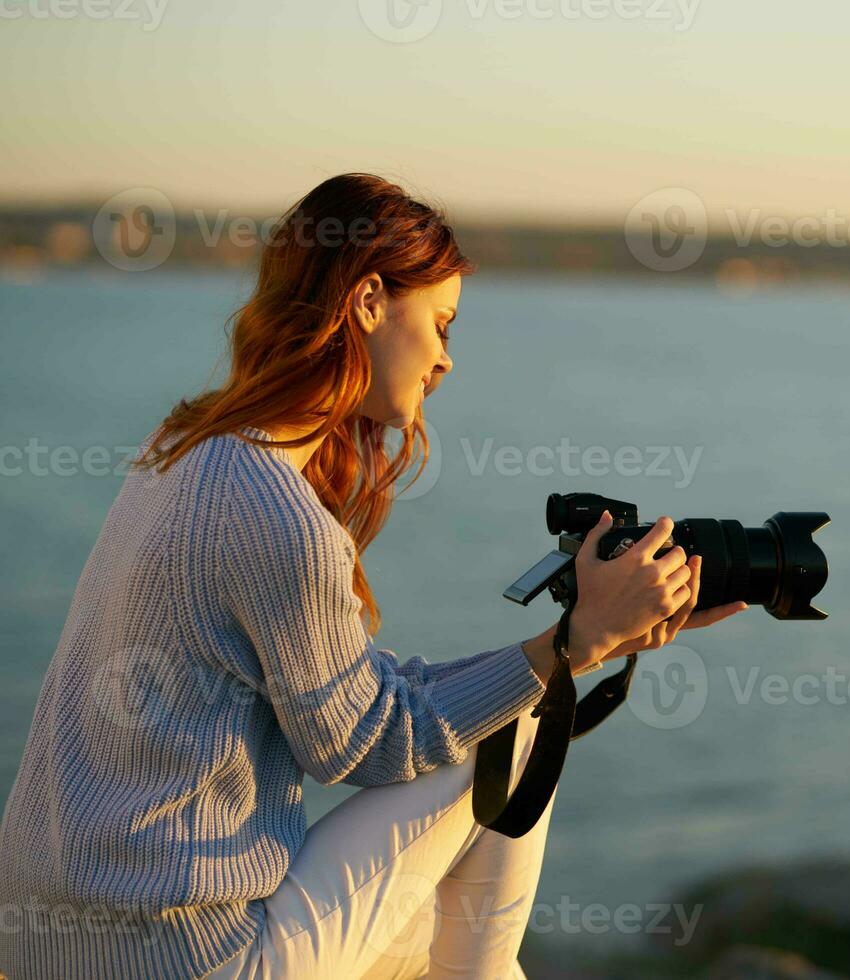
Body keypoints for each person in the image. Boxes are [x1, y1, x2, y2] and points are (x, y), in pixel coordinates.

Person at [0, 173, 747, 980]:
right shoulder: (275, 514)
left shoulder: (182, 451)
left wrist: (582, 644)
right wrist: (575, 642)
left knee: (424, 936)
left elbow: (361, 699)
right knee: (516, 732)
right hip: (185, 959)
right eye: (440, 324)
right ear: (365, 302)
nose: (446, 362)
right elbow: (366, 741)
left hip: (51, 944)